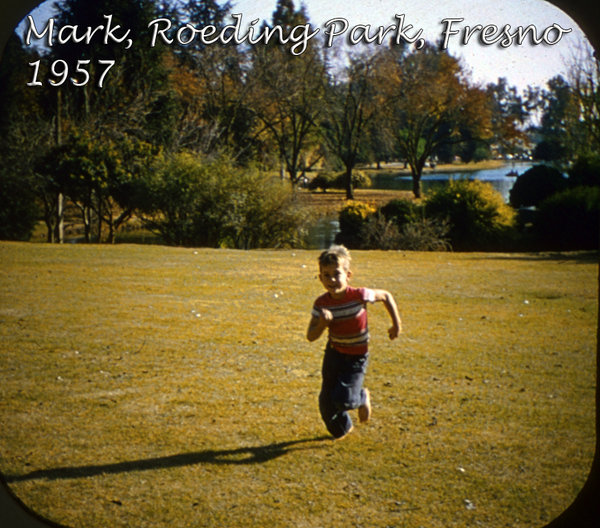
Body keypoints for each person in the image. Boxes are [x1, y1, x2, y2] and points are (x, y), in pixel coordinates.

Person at [306, 244, 402, 439]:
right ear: (320, 278)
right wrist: (323, 324)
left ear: (348, 275)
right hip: (334, 354)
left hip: (357, 357)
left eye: (336, 274)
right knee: (326, 401)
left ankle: (362, 396)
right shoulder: (321, 303)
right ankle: (343, 428)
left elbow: (386, 296)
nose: (331, 280)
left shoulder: (359, 295)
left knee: (344, 399)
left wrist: (396, 325)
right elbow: (310, 336)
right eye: (326, 275)